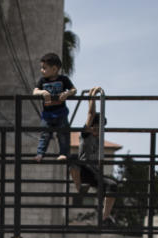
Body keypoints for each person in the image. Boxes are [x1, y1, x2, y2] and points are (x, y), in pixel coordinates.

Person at [70, 88, 118, 224]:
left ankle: (105, 216)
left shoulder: (99, 138)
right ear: (91, 126)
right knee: (73, 158)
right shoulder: (85, 134)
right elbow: (91, 114)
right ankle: (79, 187)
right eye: (96, 128)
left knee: (113, 185)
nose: (97, 131)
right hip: (83, 170)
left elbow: (98, 118)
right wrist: (92, 96)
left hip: (95, 174)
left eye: (100, 129)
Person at [32, 53, 76, 162]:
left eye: (44, 68)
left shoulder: (63, 79)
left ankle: (63, 154)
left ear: (54, 69)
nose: (42, 70)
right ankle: (40, 154)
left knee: (62, 134)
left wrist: (67, 94)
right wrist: (42, 92)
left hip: (61, 113)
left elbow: (74, 90)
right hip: (47, 115)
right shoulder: (43, 81)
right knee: (44, 134)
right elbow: (34, 92)